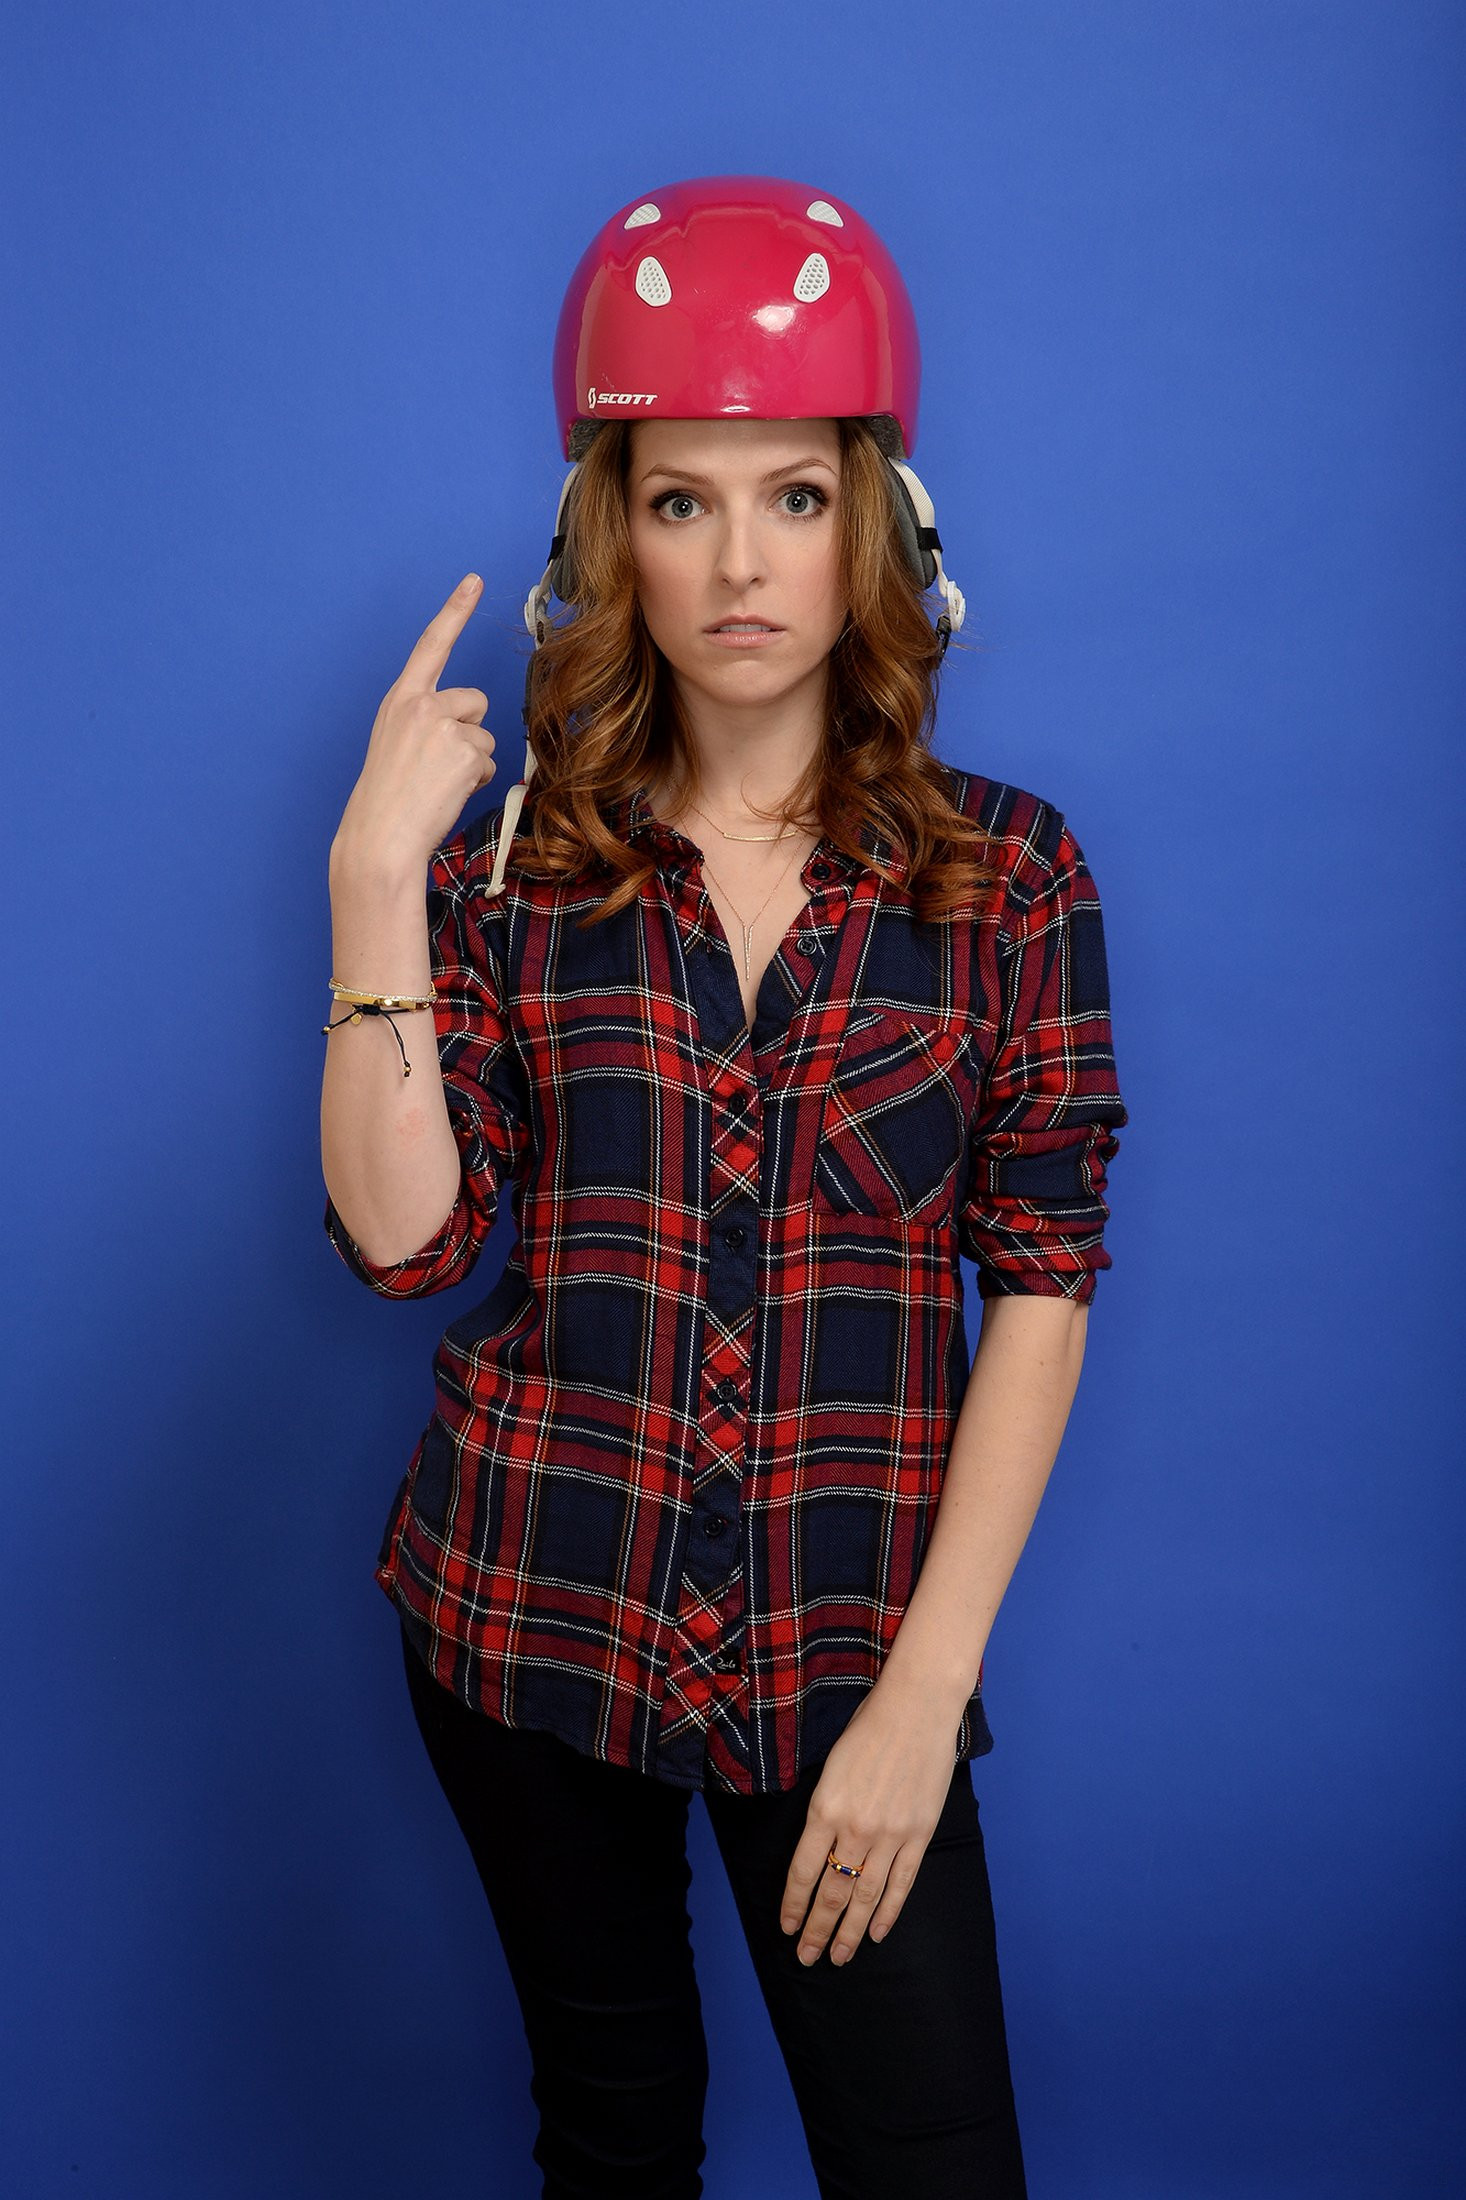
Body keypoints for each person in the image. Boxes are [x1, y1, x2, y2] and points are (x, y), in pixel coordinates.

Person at [320, 175, 1129, 2200]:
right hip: (527, 1609)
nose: (741, 561)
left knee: (931, 2162)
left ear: (882, 528)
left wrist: (923, 1697)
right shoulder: (517, 873)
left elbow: (1040, 1285)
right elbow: (407, 1243)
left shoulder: (1010, 877)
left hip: (846, 1648)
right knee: (614, 2136)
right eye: (682, 500)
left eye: (795, 495)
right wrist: (373, 885)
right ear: (613, 538)